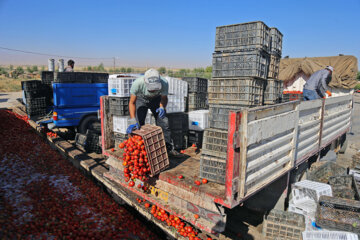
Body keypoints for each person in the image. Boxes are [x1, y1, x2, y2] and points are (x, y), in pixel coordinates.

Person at [126, 68, 180, 156]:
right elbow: (132, 102)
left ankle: (168, 148)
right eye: (151, 88)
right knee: (138, 123)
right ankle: (139, 148)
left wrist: (162, 107)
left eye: (155, 88)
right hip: (141, 99)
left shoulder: (164, 83)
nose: (153, 90)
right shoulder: (137, 83)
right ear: (144, 81)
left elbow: (164, 98)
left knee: (164, 122)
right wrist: (132, 120)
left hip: (156, 100)